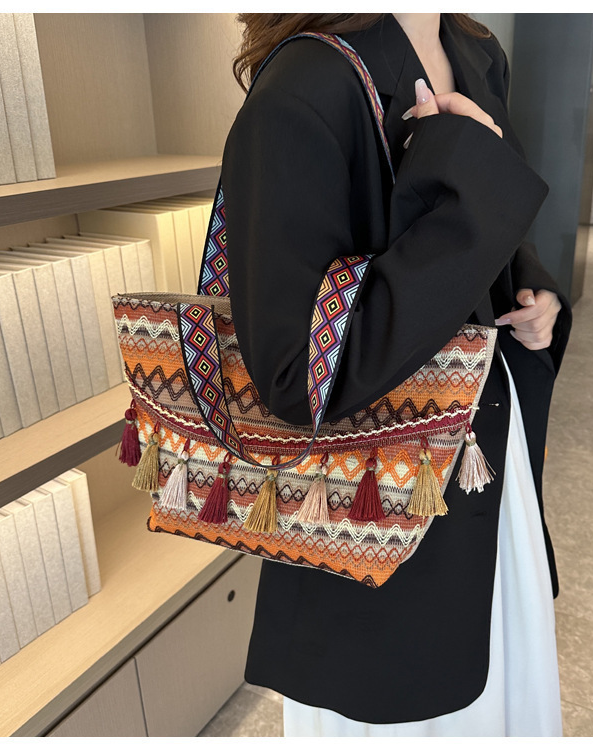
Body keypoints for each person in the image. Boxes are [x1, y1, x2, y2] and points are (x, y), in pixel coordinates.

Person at [220, 12, 572, 737]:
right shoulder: (304, 87)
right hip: (375, 519)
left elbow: (488, 236)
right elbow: (295, 374)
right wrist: (475, 182)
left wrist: (532, 290)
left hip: (481, 462)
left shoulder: (475, 50)